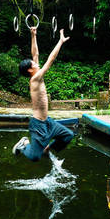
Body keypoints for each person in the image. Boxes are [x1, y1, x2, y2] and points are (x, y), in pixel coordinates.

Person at [12, 27, 74, 161]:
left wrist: (33, 35)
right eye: (34, 64)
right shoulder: (35, 79)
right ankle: (23, 145)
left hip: (48, 122)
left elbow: (35, 54)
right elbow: (50, 60)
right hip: (38, 125)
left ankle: (48, 148)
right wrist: (60, 42)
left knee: (68, 135)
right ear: (30, 70)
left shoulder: (36, 74)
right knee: (35, 157)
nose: (36, 63)